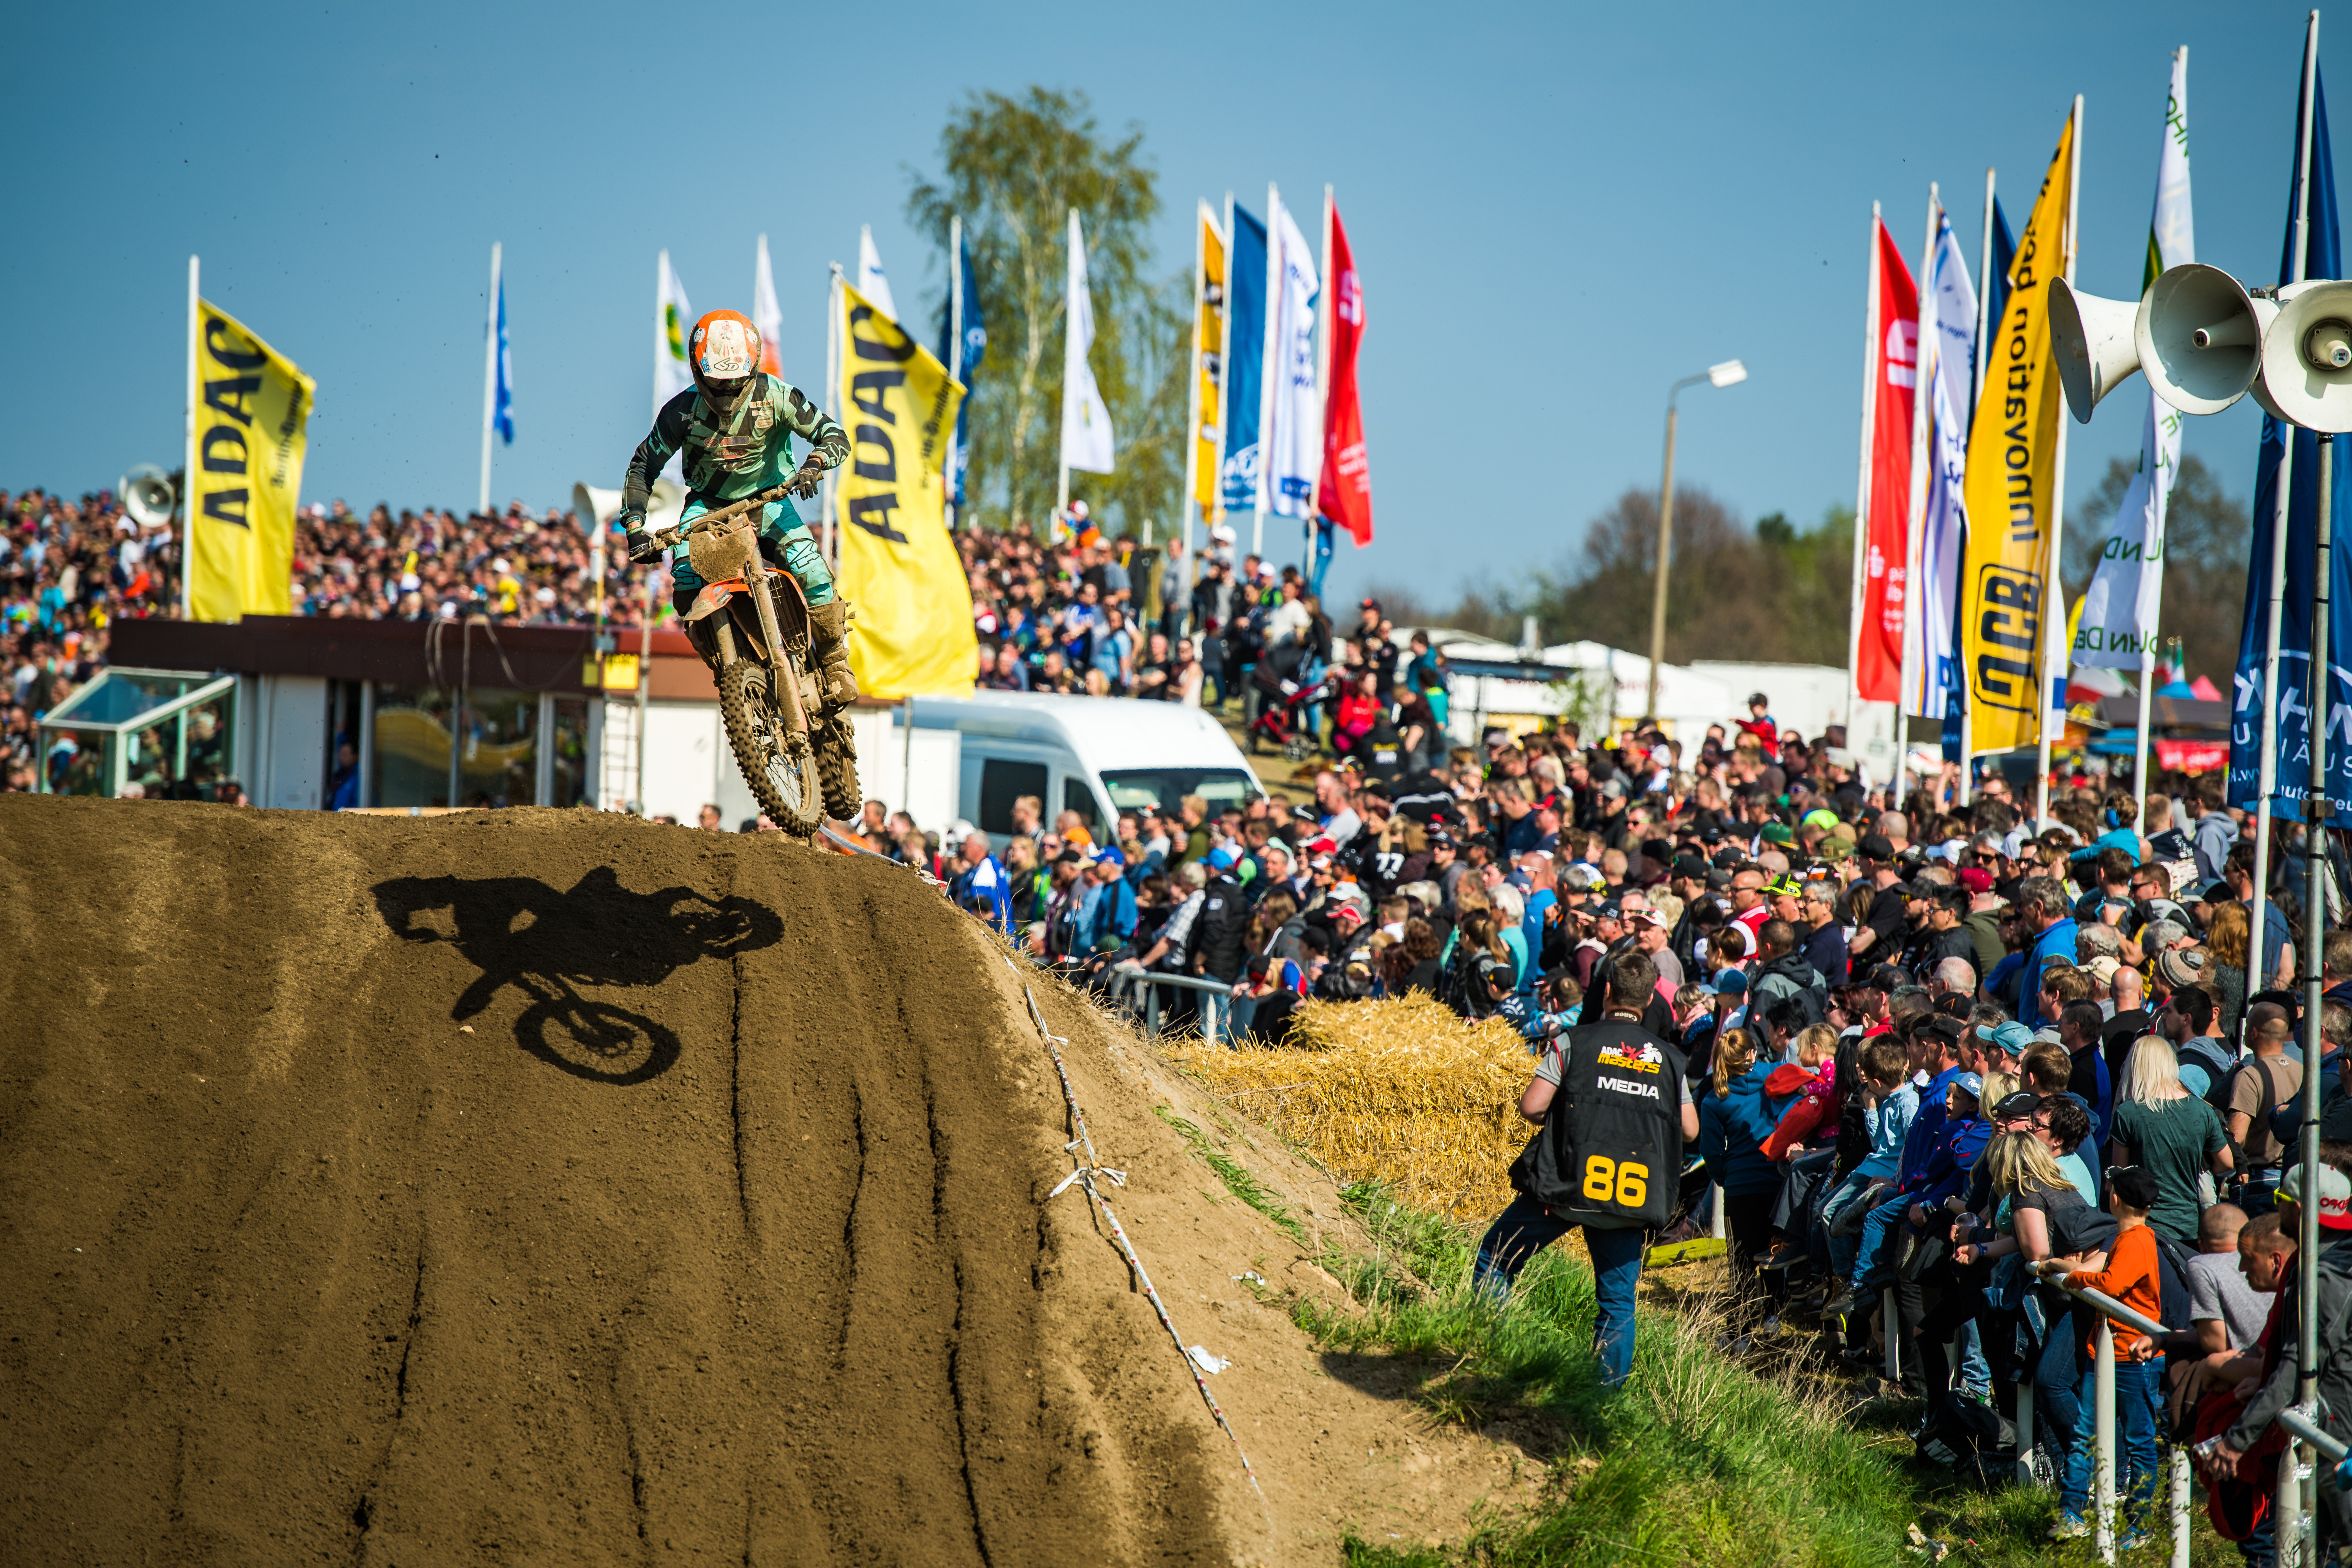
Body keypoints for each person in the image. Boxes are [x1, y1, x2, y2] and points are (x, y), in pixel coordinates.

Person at [1473, 949, 1696, 1387]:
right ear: (1651, 999)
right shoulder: (1671, 1061)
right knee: (1617, 1304)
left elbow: (1531, 1107)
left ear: (1607, 991)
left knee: (1496, 1257)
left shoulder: (1574, 1041)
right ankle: (1604, 1401)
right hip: (1629, 1198)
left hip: (1565, 1186)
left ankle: (1487, 1357)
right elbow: (1690, 1130)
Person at [619, 309, 857, 709]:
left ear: (753, 369)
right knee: (685, 579)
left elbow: (833, 434)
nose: (727, 392)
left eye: (735, 382)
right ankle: (725, 664)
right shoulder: (680, 412)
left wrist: (814, 465)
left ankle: (835, 662)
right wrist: (635, 526)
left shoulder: (778, 395)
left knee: (813, 570)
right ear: (699, 372)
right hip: (707, 507)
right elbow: (644, 465)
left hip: (771, 500)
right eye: (718, 383)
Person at [2047, 1165, 2167, 1543]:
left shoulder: (2135, 1240)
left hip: (2132, 1356)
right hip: (2109, 1350)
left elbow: (2112, 1285)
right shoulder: (2132, 1237)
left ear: (2114, 1199)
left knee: (2138, 1441)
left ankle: (2137, 1525)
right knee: (2088, 1433)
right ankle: (2072, 1513)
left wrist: (2072, 1275)